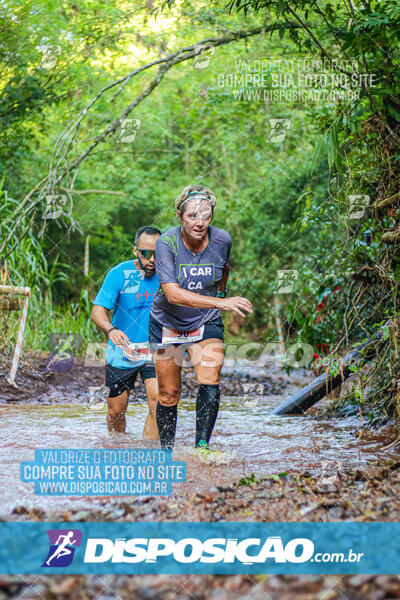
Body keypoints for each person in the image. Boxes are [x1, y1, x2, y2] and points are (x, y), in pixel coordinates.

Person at [149, 185, 253, 452]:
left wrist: (221, 294)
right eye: (192, 216)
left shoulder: (222, 240)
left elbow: (225, 268)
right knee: (169, 393)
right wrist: (221, 301)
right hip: (167, 321)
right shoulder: (167, 243)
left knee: (209, 376)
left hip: (205, 319)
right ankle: (166, 451)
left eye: (206, 216)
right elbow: (172, 294)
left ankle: (202, 446)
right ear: (179, 216)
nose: (200, 223)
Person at [91, 226, 161, 438]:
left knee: (159, 403)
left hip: (156, 349)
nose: (152, 260)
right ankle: (117, 448)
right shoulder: (119, 274)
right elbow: (98, 311)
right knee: (115, 411)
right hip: (123, 349)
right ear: (135, 251)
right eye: (146, 253)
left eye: (157, 254)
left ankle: (150, 456)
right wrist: (110, 330)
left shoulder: (169, 275)